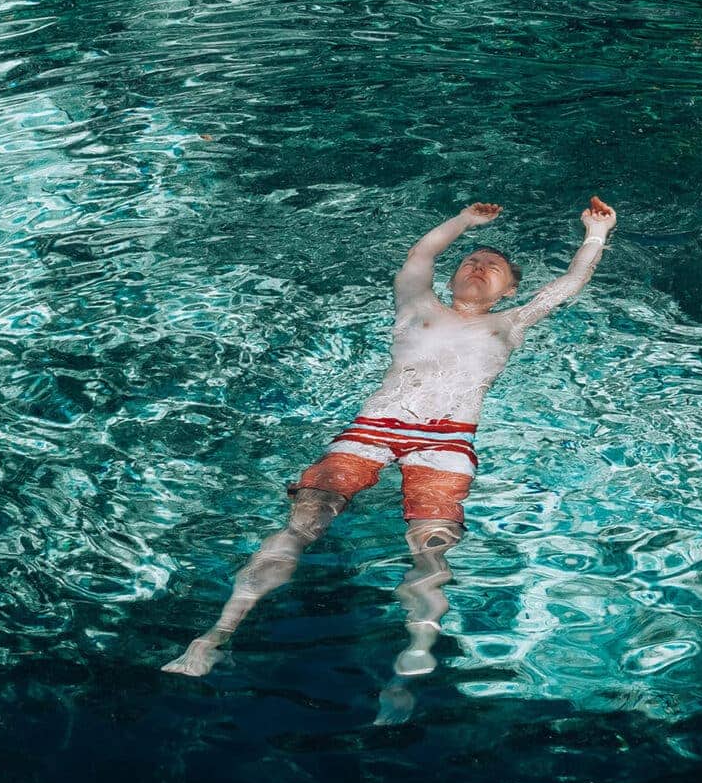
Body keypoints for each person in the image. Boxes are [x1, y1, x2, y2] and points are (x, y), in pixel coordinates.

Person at [161, 195, 618, 698]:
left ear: (510, 291)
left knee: (431, 546)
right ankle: (218, 633)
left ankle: (417, 649)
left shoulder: (508, 323)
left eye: (494, 268)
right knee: (304, 521)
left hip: (447, 440)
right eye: (472, 259)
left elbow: (570, 285)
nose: (480, 264)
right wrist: (463, 220)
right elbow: (420, 257)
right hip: (373, 427)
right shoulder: (417, 303)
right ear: (453, 275)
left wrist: (595, 233)